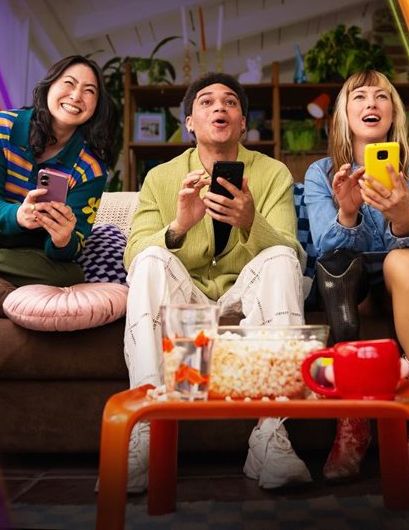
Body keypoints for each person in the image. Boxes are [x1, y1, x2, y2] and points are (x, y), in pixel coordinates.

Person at [120, 72, 311, 493]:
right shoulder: (160, 177)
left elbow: (293, 255)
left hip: (246, 293)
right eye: (206, 102)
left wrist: (251, 222)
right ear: (189, 122)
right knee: (150, 258)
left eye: (229, 102)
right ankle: (147, 429)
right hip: (185, 296)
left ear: (243, 122)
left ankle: (270, 435)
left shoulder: (274, 173)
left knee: (281, 256)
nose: (219, 107)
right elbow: (133, 255)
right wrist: (178, 226)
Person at [303, 70, 409, 481]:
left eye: (382, 96)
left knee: (402, 260)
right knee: (339, 271)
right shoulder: (320, 174)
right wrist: (348, 212)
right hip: (352, 282)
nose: (371, 103)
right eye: (359, 96)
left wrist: (401, 217)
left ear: (393, 113)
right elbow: (327, 250)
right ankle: (352, 427)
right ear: (344, 113)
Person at [0, 55, 116, 284]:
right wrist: (18, 215)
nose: (76, 96)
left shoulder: (91, 169)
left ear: (97, 106)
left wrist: (63, 239)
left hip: (22, 250)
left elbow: (75, 244)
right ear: (49, 86)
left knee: (70, 275)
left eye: (89, 91)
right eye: (68, 83)